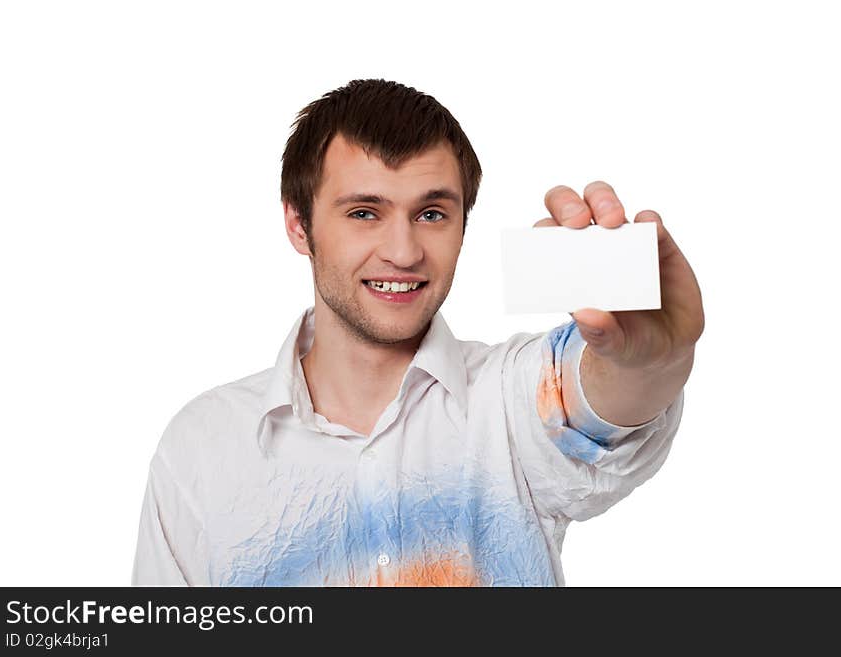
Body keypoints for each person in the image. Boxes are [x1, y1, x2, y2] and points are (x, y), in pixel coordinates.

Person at [131, 78, 704, 586]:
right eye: (364, 213)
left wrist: (649, 359)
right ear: (299, 225)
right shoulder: (202, 448)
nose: (403, 252)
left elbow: (594, 396)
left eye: (431, 213)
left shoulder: (506, 402)